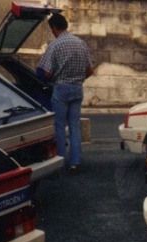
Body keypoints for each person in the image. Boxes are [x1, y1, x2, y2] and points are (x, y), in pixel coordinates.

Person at [38, 13, 94, 173]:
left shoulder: (55, 45)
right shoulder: (81, 43)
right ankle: (75, 162)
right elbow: (90, 70)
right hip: (77, 88)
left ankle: (60, 160)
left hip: (61, 88)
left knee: (60, 126)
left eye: (51, 29)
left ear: (54, 28)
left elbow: (47, 74)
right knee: (75, 126)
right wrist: (79, 79)